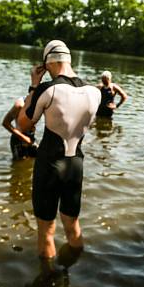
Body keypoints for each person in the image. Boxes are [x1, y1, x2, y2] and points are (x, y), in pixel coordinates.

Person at [18, 40, 100, 263]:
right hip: (76, 165)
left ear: (47, 63)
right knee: (72, 224)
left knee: (46, 231)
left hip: (50, 165)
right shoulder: (94, 92)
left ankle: (48, 281)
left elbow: (23, 124)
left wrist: (34, 84)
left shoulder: (48, 89)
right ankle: (74, 269)